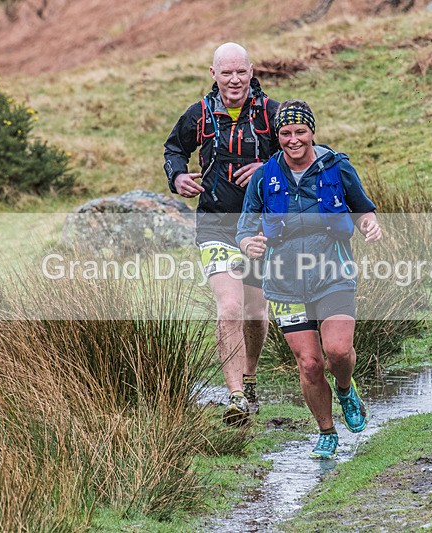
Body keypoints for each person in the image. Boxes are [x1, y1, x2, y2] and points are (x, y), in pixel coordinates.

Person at [237, 100, 382, 459]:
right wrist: (248, 243)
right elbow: (244, 227)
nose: (293, 140)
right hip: (285, 281)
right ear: (278, 136)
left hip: (333, 273)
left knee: (337, 351)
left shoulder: (337, 166)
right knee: (310, 363)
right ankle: (327, 432)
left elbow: (362, 209)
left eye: (300, 131)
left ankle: (345, 389)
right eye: (285, 133)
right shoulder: (264, 176)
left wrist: (369, 225)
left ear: (312, 132)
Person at [164, 43, 279, 426]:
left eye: (240, 72)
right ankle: (235, 397)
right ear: (213, 74)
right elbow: (174, 150)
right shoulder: (199, 114)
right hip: (215, 223)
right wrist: (178, 177)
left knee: (255, 313)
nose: (234, 80)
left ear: (251, 71)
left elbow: (301, 154)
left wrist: (267, 168)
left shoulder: (271, 113)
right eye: (226, 72)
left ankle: (250, 378)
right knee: (229, 308)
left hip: (260, 226)